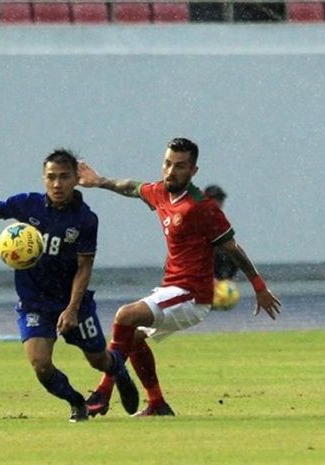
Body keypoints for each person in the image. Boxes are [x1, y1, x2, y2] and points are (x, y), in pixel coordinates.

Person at [78, 137, 281, 417]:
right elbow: (132, 188)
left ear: (193, 171)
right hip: (172, 290)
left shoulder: (202, 207)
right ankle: (158, 404)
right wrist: (99, 181)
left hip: (193, 296)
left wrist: (259, 286)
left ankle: (103, 391)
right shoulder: (161, 192)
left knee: (125, 316)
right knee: (132, 338)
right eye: (167, 163)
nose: (171, 171)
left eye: (180, 166)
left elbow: (232, 247)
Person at [0, 149, 138, 422]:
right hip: (35, 302)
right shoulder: (26, 205)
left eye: (64, 177)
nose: (57, 184)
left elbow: (84, 266)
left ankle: (119, 370)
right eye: (51, 177)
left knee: (98, 358)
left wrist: (73, 308)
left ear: (77, 178)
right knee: (41, 365)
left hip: (73, 302)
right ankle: (77, 402)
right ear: (43, 179)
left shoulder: (86, 219)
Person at [204, 185, 239, 281]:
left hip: (221, 279)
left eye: (220, 200)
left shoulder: (221, 223)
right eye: (215, 200)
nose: (218, 203)